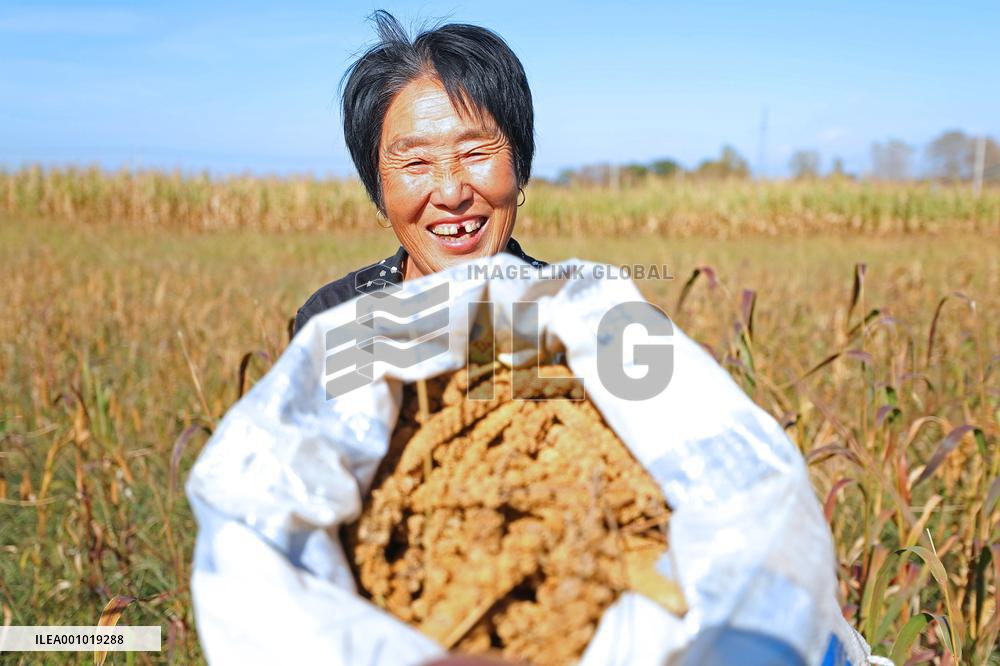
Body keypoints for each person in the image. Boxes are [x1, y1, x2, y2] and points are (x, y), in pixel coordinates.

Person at [294, 11, 546, 336]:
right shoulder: (335, 322)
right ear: (379, 188)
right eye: (416, 162)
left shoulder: (581, 319)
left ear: (519, 165)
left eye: (474, 153)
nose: (451, 193)